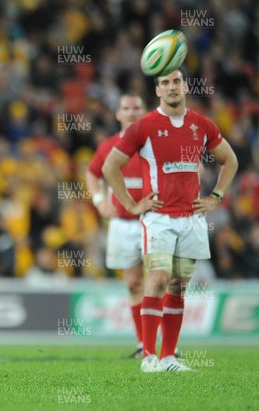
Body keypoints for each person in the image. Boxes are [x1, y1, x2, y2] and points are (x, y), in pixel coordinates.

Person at [102, 68, 238, 372]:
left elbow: (231, 160)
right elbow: (111, 167)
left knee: (178, 287)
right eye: (165, 83)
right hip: (159, 219)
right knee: (159, 279)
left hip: (192, 219)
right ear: (158, 91)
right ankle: (148, 356)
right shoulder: (144, 126)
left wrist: (216, 196)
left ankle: (168, 357)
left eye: (176, 81)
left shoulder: (201, 124)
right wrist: (131, 204)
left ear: (185, 86)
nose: (172, 87)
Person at [85, 93, 146, 358]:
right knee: (133, 284)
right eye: (126, 108)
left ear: (144, 112)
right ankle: (143, 345)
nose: (131, 112)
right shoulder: (109, 145)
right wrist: (99, 200)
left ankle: (168, 348)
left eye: (136, 108)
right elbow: (92, 173)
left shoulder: (156, 143)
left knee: (159, 282)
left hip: (154, 221)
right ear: (117, 114)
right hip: (123, 224)